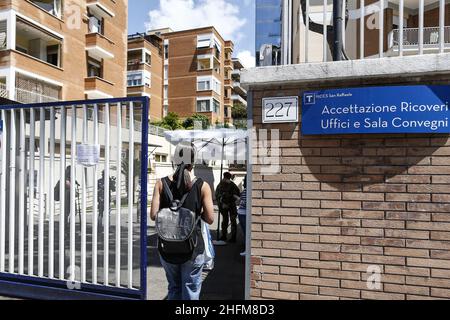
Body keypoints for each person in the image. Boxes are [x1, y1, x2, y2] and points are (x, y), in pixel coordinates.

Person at [150, 141, 214, 300]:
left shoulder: (161, 183)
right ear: (193, 161)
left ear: (175, 158)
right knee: (191, 288)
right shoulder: (202, 186)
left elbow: (153, 215)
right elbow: (210, 218)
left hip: (167, 246)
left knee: (174, 288)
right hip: (193, 246)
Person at [215, 172, 240, 243]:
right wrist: (222, 202)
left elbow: (237, 195)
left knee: (233, 221)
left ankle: (233, 237)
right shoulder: (220, 185)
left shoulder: (233, 185)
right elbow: (217, 195)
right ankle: (224, 236)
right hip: (223, 205)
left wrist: (230, 201)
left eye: (226, 178)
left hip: (231, 205)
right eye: (225, 178)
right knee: (225, 221)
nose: (225, 179)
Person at [238, 177, 247, 257]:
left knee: (245, 232)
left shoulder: (245, 190)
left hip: (242, 213)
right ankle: (246, 249)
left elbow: (243, 201)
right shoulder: (247, 190)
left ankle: (246, 249)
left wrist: (238, 199)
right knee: (245, 232)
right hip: (243, 213)